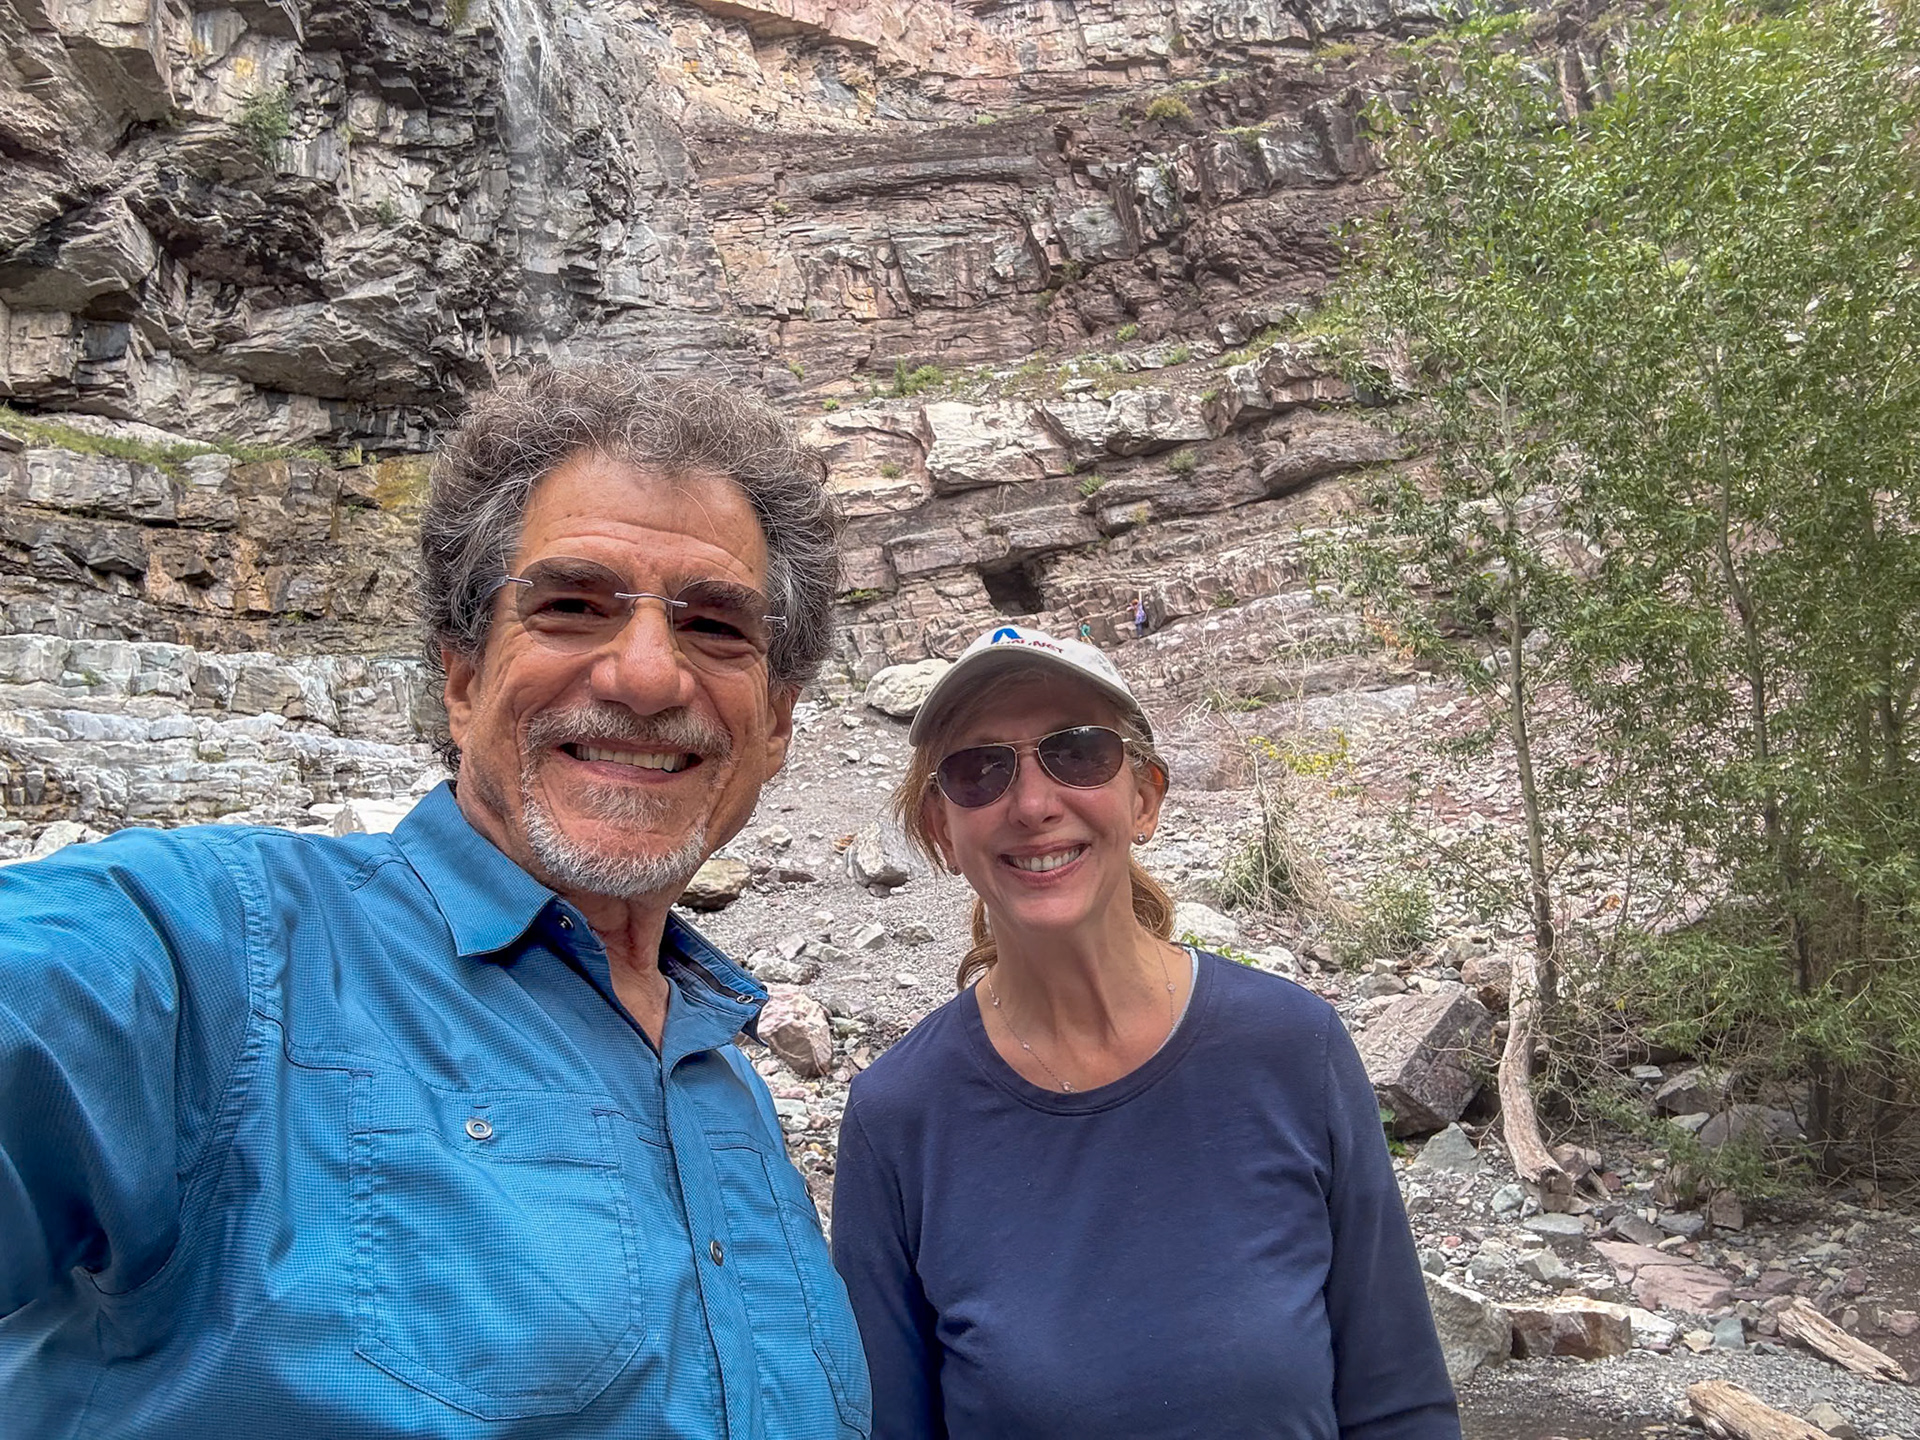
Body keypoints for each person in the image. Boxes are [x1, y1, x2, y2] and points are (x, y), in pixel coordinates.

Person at [0, 366, 871, 1439]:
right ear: (461, 681)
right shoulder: (219, 949)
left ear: (777, 723)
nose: (647, 676)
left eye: (717, 629)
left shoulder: (723, 1075)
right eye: (570, 606)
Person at [830, 624, 1458, 1440]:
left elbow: (1399, 1405)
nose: (1031, 804)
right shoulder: (898, 1116)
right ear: (942, 829)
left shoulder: (1291, 1046)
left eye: (1079, 753)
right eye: (978, 771)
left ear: (1146, 797)